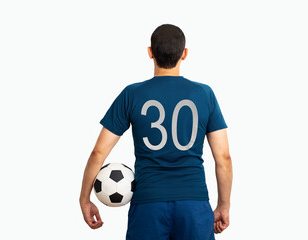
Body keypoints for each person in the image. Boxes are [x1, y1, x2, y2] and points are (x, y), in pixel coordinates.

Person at [79, 23, 233, 239]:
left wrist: (85, 199)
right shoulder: (204, 94)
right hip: (194, 202)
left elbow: (98, 153)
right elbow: (223, 158)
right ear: (184, 54)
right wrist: (223, 206)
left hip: (148, 204)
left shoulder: (131, 94)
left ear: (150, 52)